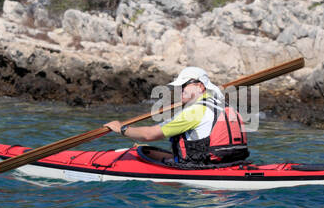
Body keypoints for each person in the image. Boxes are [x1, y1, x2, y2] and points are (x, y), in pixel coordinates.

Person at [104, 66, 249, 166]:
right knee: (149, 151)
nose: (179, 90)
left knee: (144, 152)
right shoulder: (225, 105)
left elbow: (149, 134)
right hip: (231, 163)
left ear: (200, 86)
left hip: (200, 169)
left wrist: (121, 129)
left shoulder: (195, 111)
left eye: (183, 86)